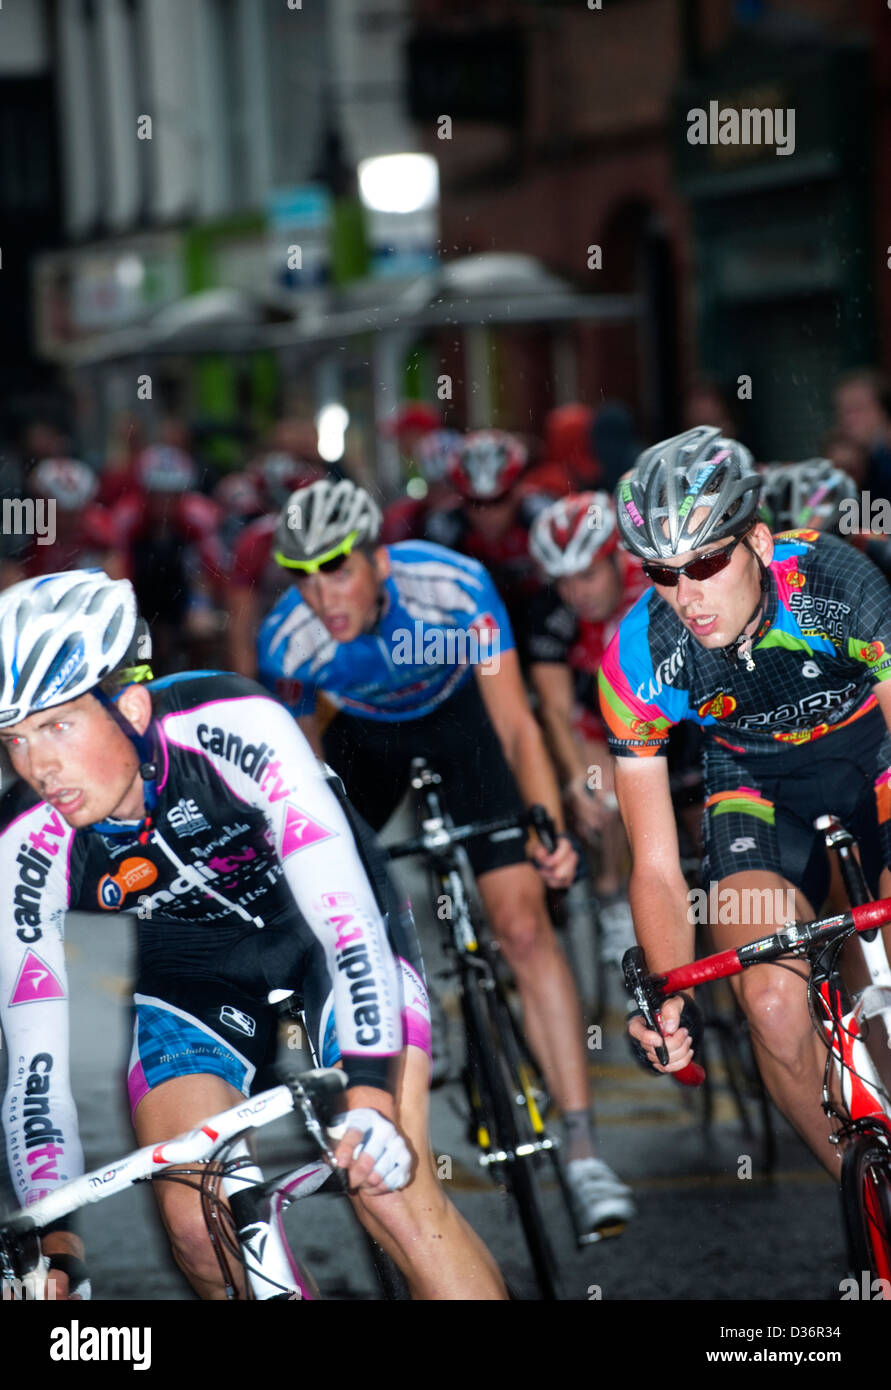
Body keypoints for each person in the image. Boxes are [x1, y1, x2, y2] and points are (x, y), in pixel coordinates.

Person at [0, 570, 506, 1300]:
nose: (36, 765)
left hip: (327, 933)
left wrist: (367, 1093)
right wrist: (56, 1242)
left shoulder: (231, 723)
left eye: (57, 725)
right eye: (13, 737)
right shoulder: (26, 839)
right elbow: (34, 1066)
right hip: (196, 970)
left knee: (389, 1191)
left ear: (132, 706)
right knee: (197, 1231)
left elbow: (344, 921)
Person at [257, 478, 636, 1235]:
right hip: (367, 742)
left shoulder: (452, 588)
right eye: (300, 577)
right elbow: (301, 783)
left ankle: (585, 1151)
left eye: (336, 567)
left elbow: (517, 727)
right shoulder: (287, 640)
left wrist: (544, 825)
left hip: (465, 728)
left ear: (378, 562)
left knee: (523, 928)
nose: (320, 595)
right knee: (314, 890)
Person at [598, 426, 891, 1177]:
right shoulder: (639, 656)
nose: (687, 596)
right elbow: (657, 865)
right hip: (754, 786)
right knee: (766, 1003)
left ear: (756, 541)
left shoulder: (837, 585)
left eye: (705, 561)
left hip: (872, 762)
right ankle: (874, 1213)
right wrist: (669, 993)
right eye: (661, 573)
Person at [526, 492, 648, 960]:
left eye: (588, 575)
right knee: (607, 790)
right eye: (563, 581)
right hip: (598, 716)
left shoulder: (653, 580)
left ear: (617, 558)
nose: (577, 593)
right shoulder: (550, 613)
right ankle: (613, 894)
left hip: (671, 707)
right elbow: (554, 710)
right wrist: (578, 780)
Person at [424, 430, 554, 654]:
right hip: (476, 641)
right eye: (476, 503)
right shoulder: (444, 528)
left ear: (519, 490)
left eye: (498, 500)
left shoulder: (544, 518)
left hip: (541, 633)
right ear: (460, 498)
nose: (488, 514)